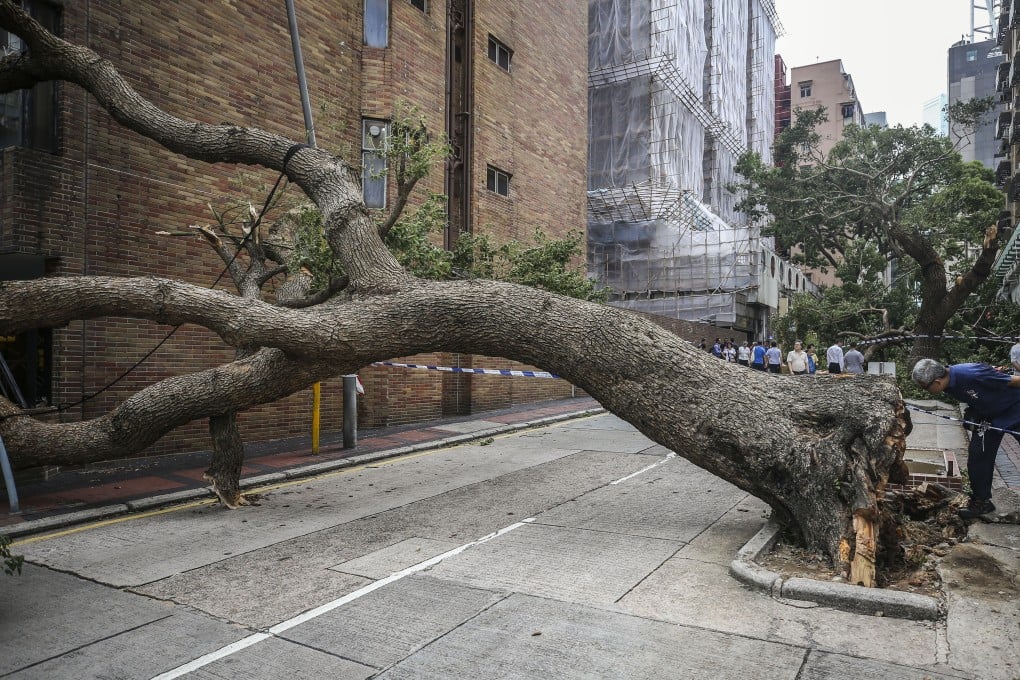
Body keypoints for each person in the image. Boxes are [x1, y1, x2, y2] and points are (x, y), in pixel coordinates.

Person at [912, 358, 1020, 518]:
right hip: (989, 416)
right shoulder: (948, 384)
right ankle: (982, 502)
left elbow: (1014, 381)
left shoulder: (972, 374)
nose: (925, 391)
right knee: (978, 455)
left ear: (937, 382)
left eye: (926, 388)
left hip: (1015, 408)